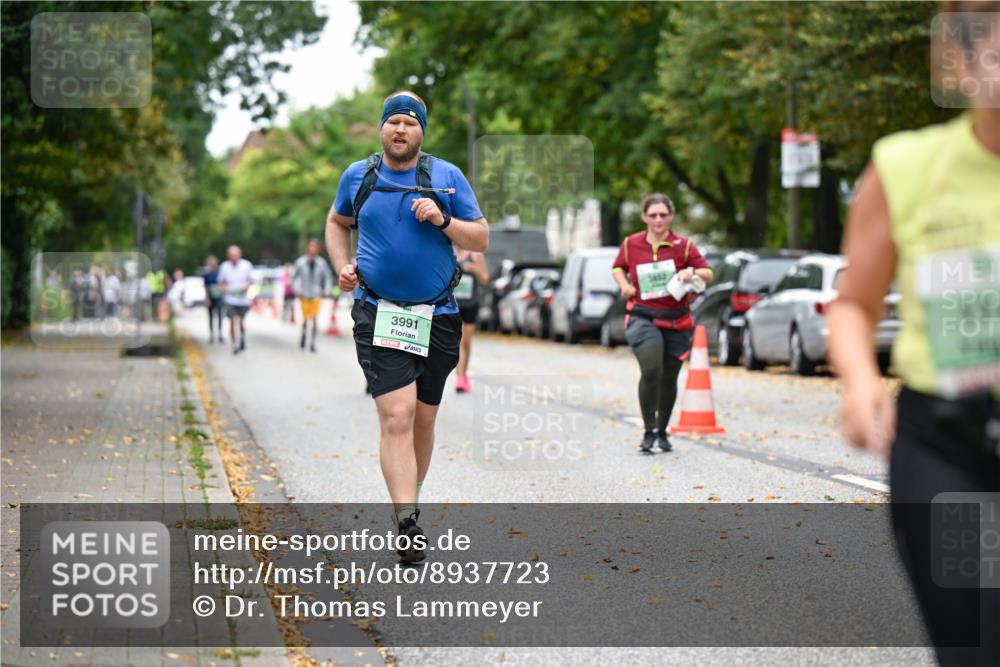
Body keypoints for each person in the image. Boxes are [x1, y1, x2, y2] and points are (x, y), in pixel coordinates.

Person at [829, 7, 999, 664]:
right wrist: (861, 381)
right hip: (950, 451)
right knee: (978, 641)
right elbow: (854, 304)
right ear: (956, 61)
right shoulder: (905, 166)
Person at [326, 90, 488, 563]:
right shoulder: (359, 176)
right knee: (396, 415)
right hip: (378, 311)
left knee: (423, 418)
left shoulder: (447, 177)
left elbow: (480, 235)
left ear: (422, 131)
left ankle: (408, 497)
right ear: (382, 128)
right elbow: (338, 223)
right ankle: (407, 521)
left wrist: (443, 219)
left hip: (437, 315)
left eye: (410, 123)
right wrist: (343, 266)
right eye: (393, 121)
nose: (401, 130)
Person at [611, 193, 713, 454]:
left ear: (671, 216)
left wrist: (692, 272)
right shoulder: (631, 243)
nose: (658, 220)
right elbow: (617, 267)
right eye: (653, 215)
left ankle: (661, 430)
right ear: (644, 217)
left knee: (669, 376)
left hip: (677, 319)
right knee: (652, 368)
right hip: (642, 316)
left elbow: (708, 273)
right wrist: (625, 286)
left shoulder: (684, 245)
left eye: (663, 215)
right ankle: (648, 431)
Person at [452, 243, 489, 393]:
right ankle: (460, 377)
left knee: (466, 342)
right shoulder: (449, 252)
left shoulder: (476, 255)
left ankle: (464, 374)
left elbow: (485, 279)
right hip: (452, 304)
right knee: (458, 342)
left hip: (470, 304)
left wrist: (473, 269)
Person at [292, 239, 334, 352]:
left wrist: (326, 290)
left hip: (316, 294)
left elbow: (328, 277)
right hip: (304, 294)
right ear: (308, 248)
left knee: (315, 319)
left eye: (315, 247)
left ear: (318, 249)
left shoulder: (322, 263)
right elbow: (295, 277)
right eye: (311, 247)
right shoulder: (300, 262)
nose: (313, 249)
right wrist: (297, 289)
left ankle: (312, 343)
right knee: (305, 320)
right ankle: (304, 334)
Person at [218, 245, 254, 355]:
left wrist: (245, 287)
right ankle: (234, 344)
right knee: (232, 321)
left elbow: (251, 280)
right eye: (231, 255)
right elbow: (221, 282)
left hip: (243, 299)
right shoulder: (224, 266)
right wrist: (224, 289)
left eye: (235, 255)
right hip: (230, 299)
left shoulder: (246, 265)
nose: (233, 257)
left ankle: (242, 337)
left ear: (239, 255)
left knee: (242, 322)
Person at [203, 255, 223, 343]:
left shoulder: (220, 273)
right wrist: (207, 298)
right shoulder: (207, 275)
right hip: (211, 296)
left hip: (219, 296)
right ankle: (211, 335)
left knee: (219, 316)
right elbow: (206, 287)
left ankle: (220, 334)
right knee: (211, 317)